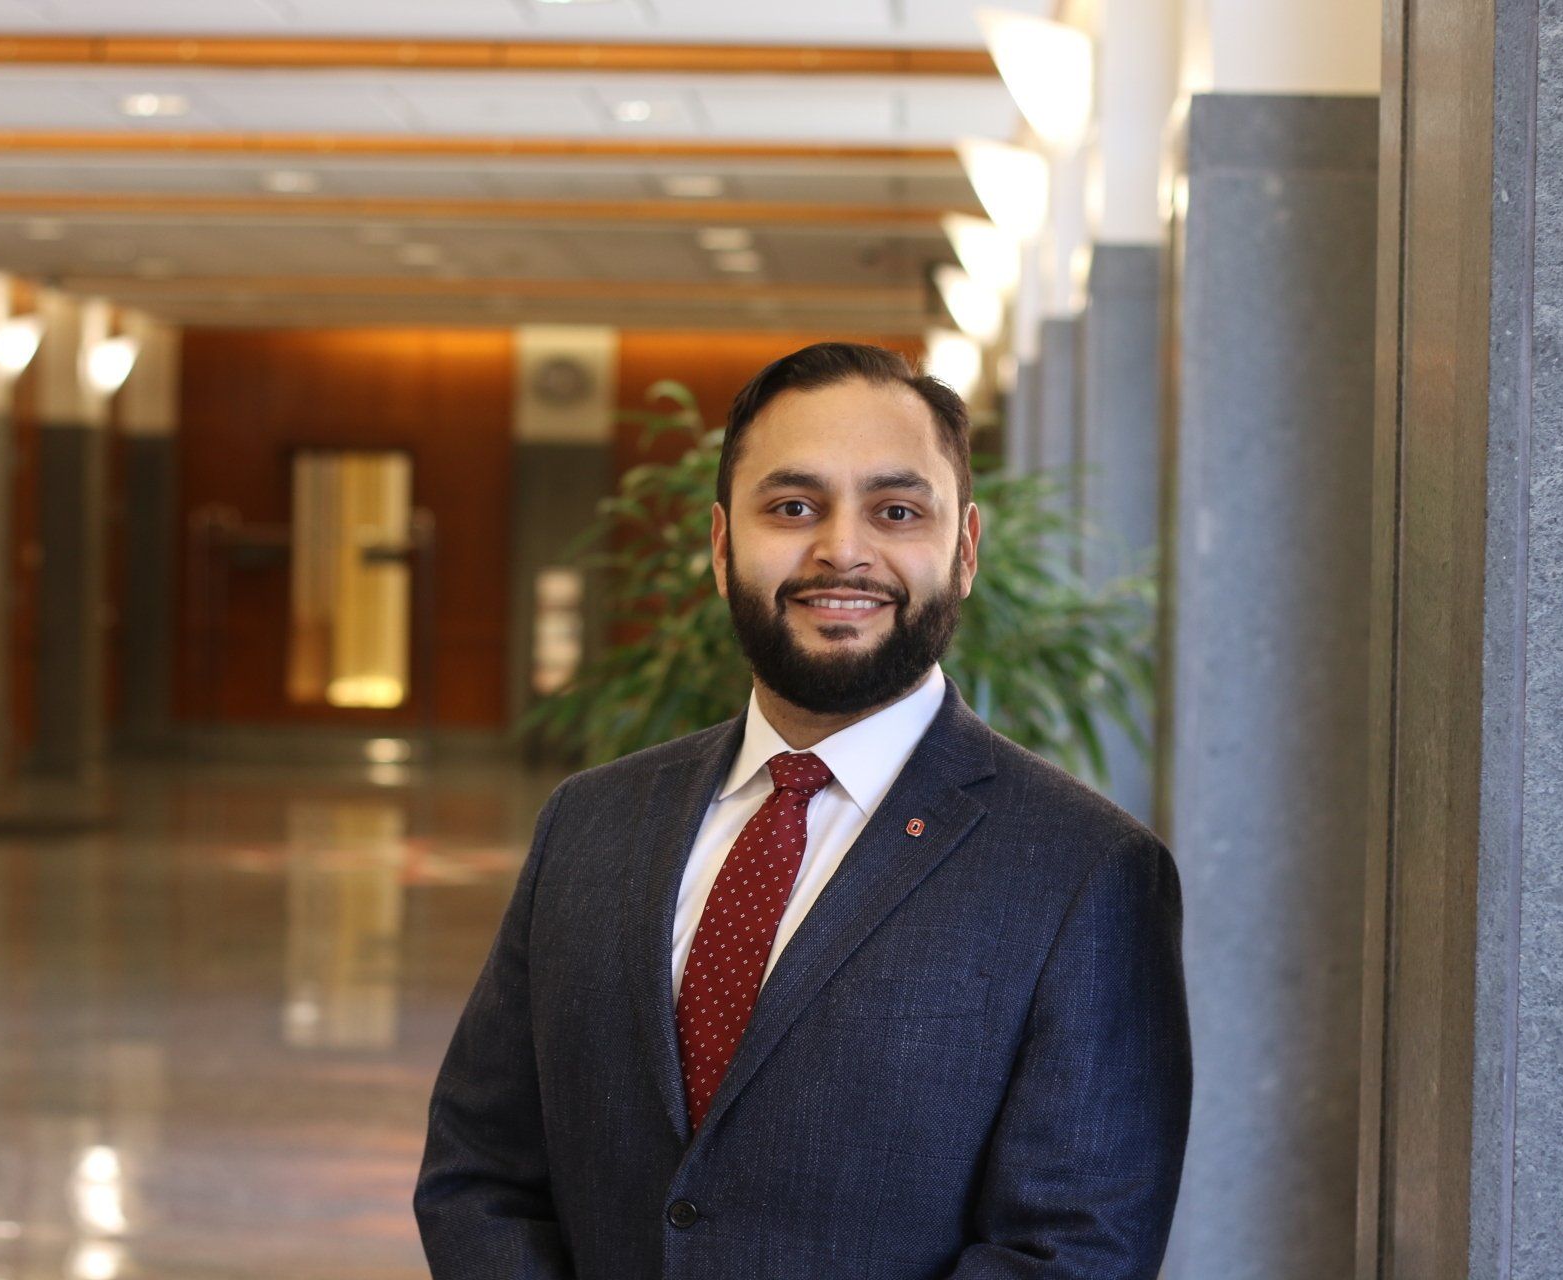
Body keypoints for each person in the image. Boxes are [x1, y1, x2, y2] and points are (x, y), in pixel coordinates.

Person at [415, 341, 1191, 1279]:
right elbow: (480, 1170)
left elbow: (1074, 1251)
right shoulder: (590, 822)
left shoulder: (1084, 872)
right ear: (720, 546)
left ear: (965, 549)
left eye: (896, 511)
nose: (842, 550)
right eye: (792, 507)